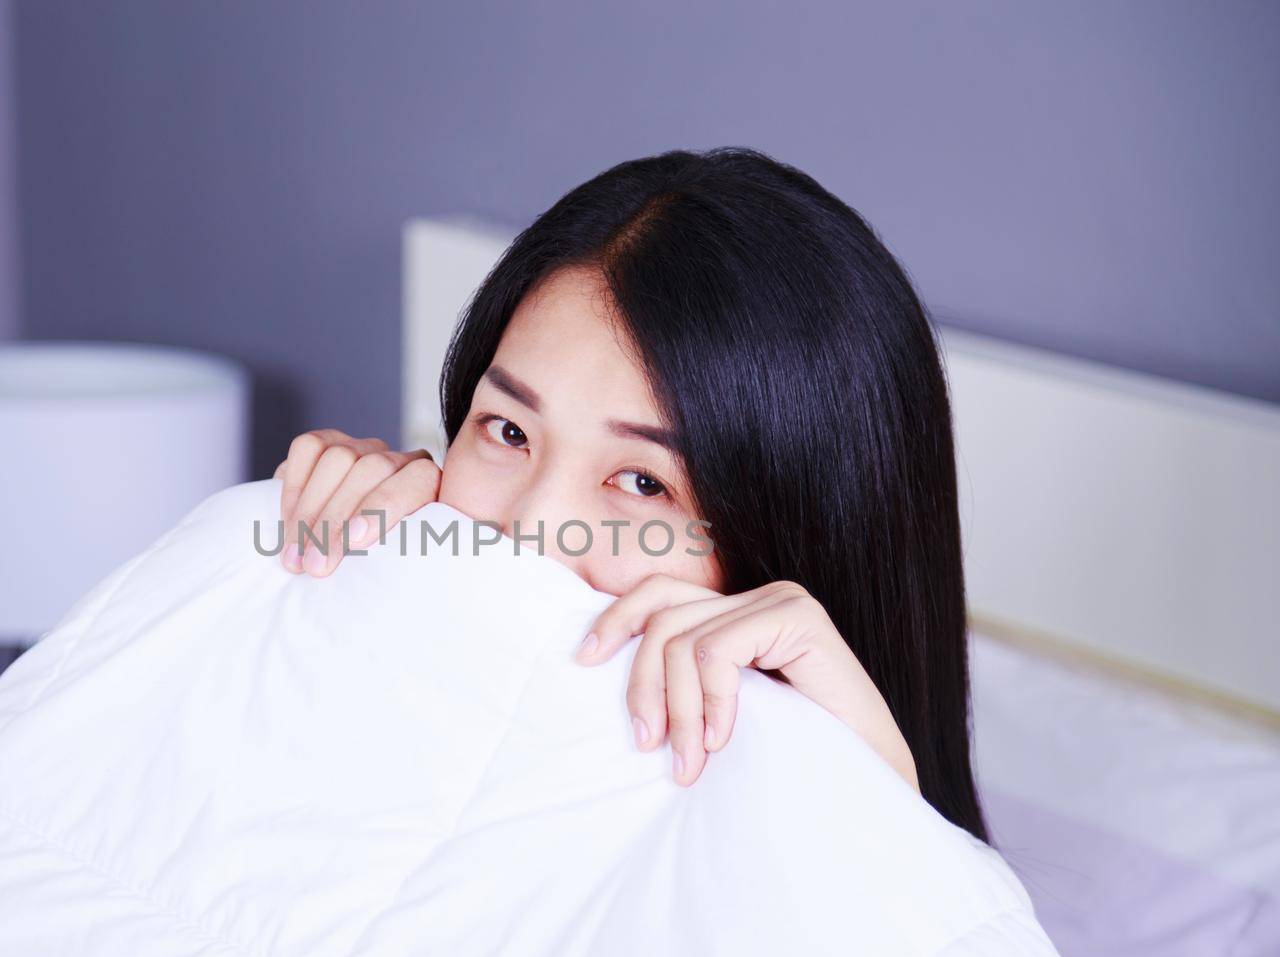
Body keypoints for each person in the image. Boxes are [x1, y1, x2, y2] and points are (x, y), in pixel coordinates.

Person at [270, 146, 986, 841]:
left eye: (644, 482)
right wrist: (303, 599)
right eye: (508, 430)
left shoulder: (868, 857)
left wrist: (881, 816)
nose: (529, 532)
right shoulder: (365, 593)